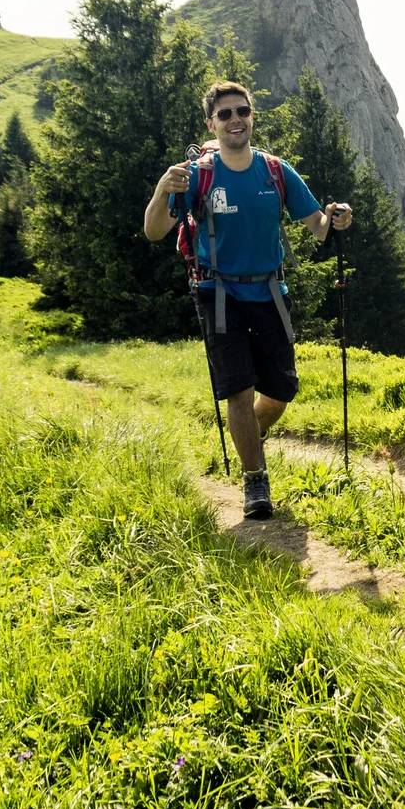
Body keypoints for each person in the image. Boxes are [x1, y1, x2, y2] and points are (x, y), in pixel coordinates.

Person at [143, 81, 353, 519]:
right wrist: (162, 191)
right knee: (238, 391)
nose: (235, 119)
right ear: (211, 123)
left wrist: (336, 218)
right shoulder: (196, 176)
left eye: (242, 111)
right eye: (225, 114)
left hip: (270, 292)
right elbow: (154, 231)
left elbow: (317, 226)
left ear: (252, 116)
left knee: (278, 393)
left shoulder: (276, 171)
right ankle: (255, 480)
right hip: (217, 293)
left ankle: (245, 446)